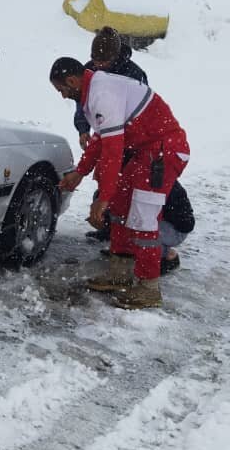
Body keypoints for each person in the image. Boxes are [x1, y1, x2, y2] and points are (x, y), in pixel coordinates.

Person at [51, 57, 190, 309]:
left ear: (72, 81)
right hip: (145, 152)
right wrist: (80, 173)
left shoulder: (101, 93)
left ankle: (148, 289)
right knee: (120, 206)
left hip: (163, 152)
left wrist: (102, 197)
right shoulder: (96, 91)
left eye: (61, 90)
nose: (62, 96)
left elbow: (113, 151)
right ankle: (120, 272)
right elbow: (100, 140)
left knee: (143, 218)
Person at [75, 27, 195, 275]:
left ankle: (154, 271)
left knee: (140, 217)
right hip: (131, 144)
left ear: (116, 56)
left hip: (146, 149)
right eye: (96, 60)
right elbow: (97, 123)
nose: (100, 65)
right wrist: (82, 165)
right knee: (117, 199)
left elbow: (123, 133)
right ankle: (120, 260)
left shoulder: (131, 75)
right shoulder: (91, 75)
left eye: (105, 60)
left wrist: (104, 197)